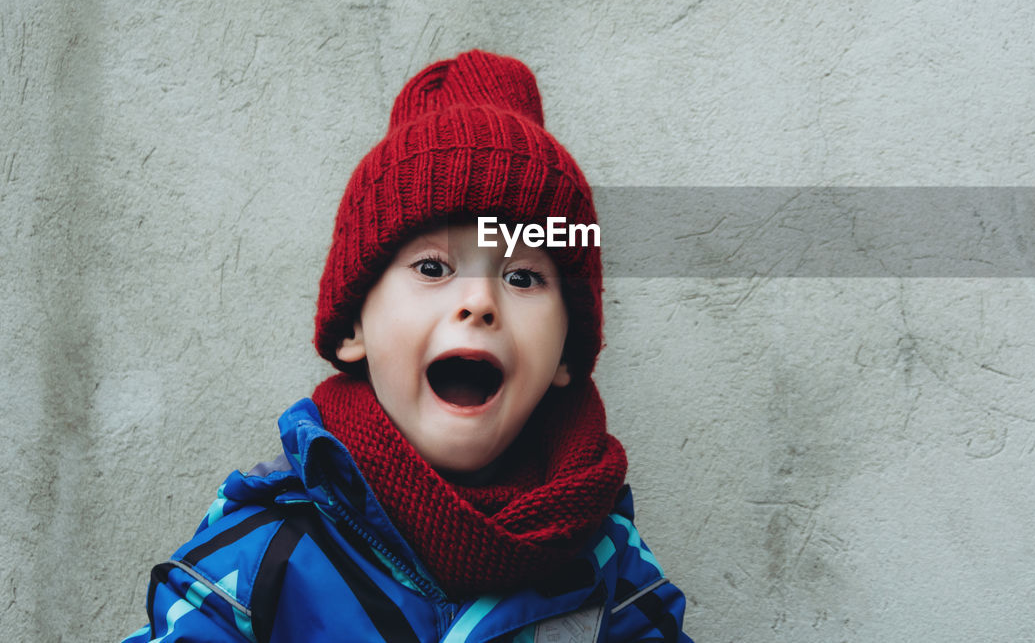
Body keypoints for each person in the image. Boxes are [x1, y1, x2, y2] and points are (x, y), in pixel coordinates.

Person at [122, 50, 693, 642]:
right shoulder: (264, 554)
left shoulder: (611, 570)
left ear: (567, 356)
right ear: (353, 329)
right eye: (432, 267)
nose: (480, 302)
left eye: (522, 277)